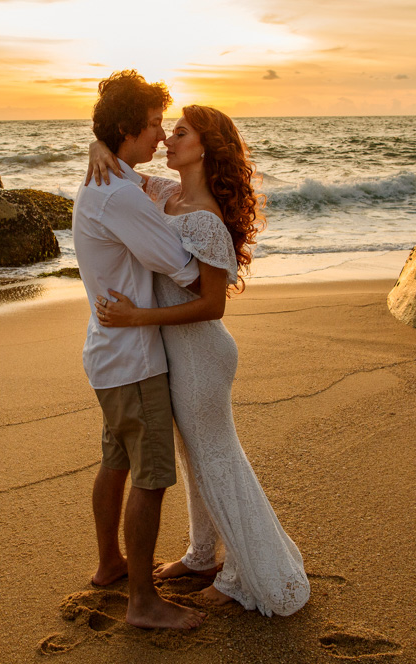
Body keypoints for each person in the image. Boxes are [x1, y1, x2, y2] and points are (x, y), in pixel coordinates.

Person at [88, 104, 311, 617]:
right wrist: (97, 144)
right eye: (167, 131)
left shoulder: (205, 218)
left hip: (201, 354)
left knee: (215, 457)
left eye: (181, 133)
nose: (167, 139)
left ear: (205, 147)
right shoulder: (166, 195)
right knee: (194, 456)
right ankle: (201, 554)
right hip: (177, 351)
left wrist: (136, 317)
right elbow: (121, 167)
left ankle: (241, 576)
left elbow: (212, 305)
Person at [71, 70, 207, 631]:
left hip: (108, 355)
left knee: (116, 461)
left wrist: (97, 144)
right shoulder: (120, 194)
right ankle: (143, 603)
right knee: (151, 475)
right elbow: (179, 262)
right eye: (153, 125)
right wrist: (204, 243)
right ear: (128, 128)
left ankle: (110, 565)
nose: (159, 137)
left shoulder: (106, 181)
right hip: (135, 359)